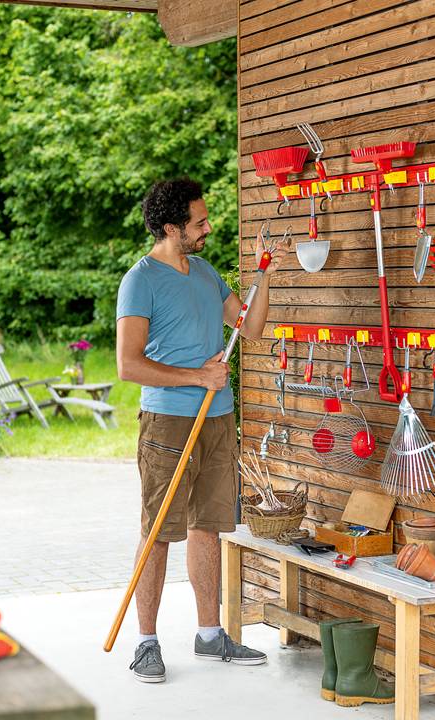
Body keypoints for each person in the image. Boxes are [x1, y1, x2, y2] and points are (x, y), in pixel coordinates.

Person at [116, 178, 289, 683]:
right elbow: (128, 365)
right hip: (169, 422)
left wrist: (266, 278)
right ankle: (147, 642)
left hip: (218, 418)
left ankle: (210, 634)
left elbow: (250, 329)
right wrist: (198, 375)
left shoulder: (207, 273)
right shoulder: (141, 280)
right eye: (199, 223)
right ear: (171, 228)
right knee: (157, 534)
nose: (208, 228)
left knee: (208, 526)